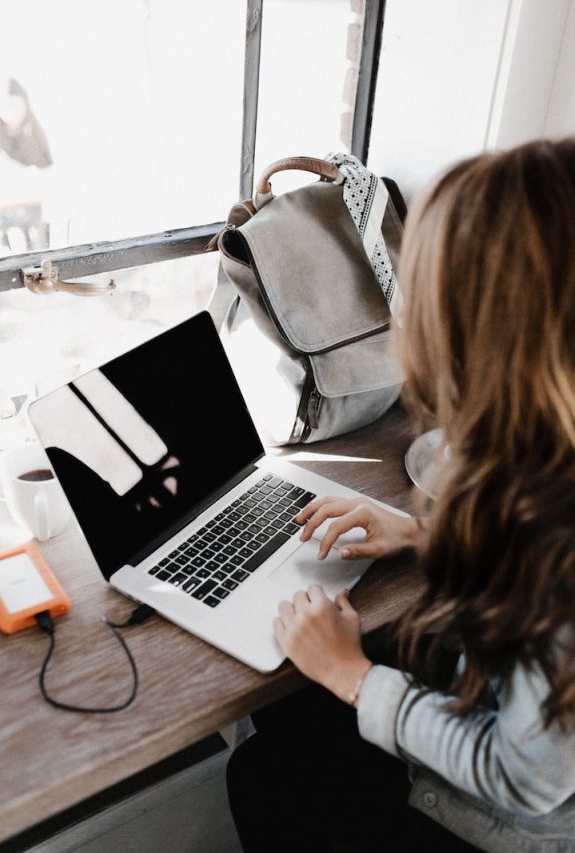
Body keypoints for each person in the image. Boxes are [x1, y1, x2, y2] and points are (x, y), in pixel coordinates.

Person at [226, 138, 575, 852]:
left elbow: (523, 778)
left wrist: (352, 676)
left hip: (510, 827)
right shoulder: (545, 466)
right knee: (291, 718)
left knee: (265, 770)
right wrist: (427, 532)